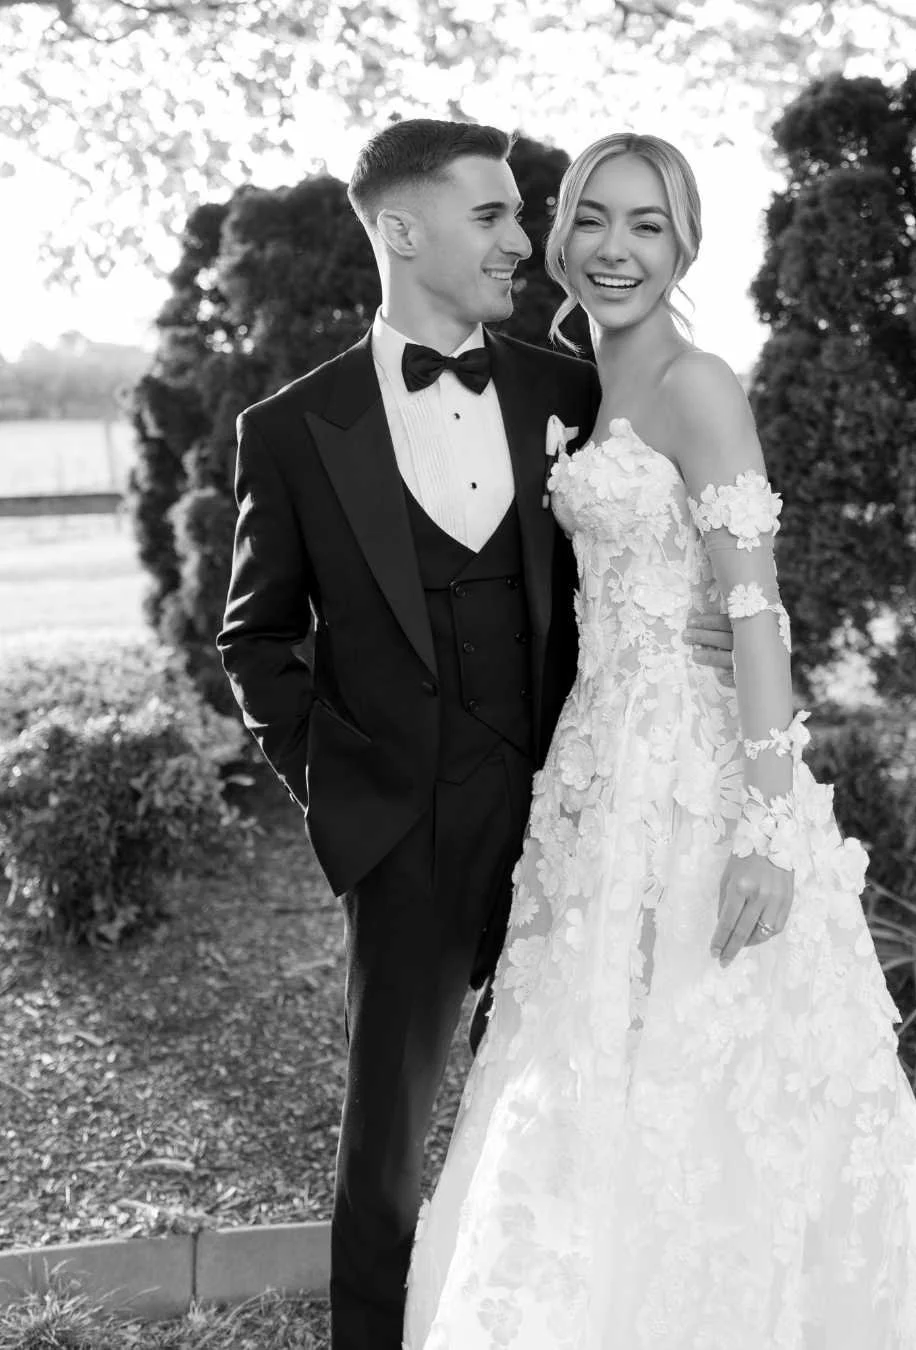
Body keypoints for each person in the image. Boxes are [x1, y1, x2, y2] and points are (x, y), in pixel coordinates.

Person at [402, 133, 916, 1349]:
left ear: (685, 246)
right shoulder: (584, 384)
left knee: (712, 1053)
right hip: (598, 766)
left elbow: (755, 612)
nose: (616, 248)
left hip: (698, 779)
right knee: (594, 1046)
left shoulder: (696, 384)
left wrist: (767, 831)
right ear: (560, 237)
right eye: (593, 219)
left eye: (647, 225)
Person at [216, 119, 734, 1350]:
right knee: (385, 1143)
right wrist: (341, 788)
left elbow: (687, 525)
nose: (522, 239)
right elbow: (256, 638)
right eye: (493, 215)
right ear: (404, 230)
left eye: (519, 215)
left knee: (567, 1099)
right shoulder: (292, 428)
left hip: (576, 806)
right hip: (408, 827)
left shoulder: (569, 390)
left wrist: (723, 626)